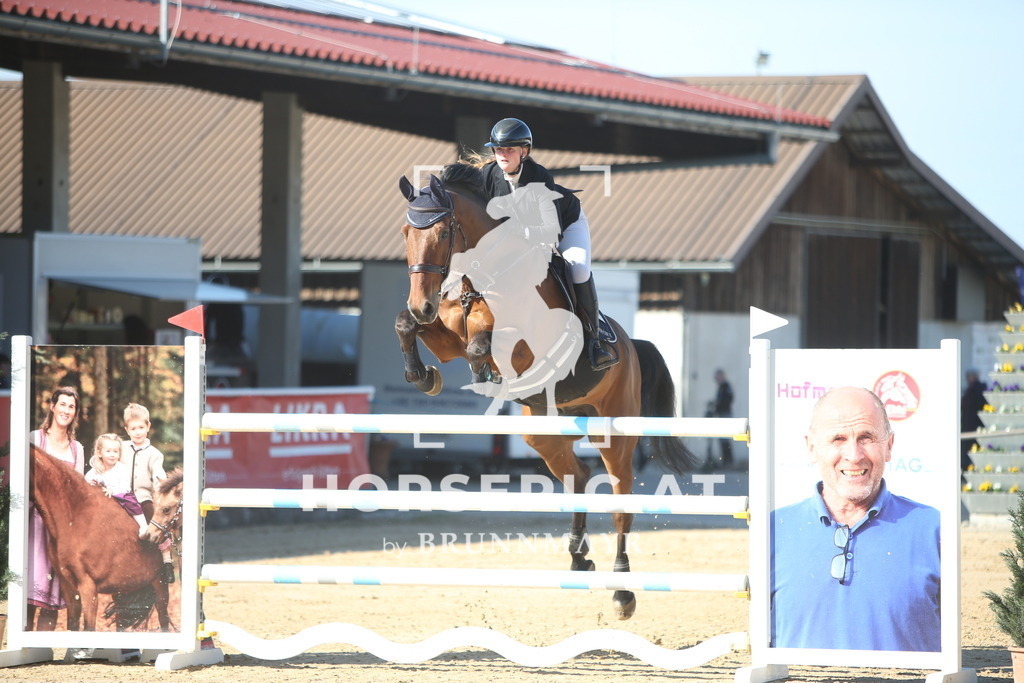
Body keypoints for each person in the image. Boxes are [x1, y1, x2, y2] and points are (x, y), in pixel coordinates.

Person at [770, 386, 940, 651]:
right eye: (838, 439)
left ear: (889, 446)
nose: (854, 455)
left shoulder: (935, 529)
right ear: (811, 447)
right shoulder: (772, 531)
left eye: (866, 437)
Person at [477, 117, 618, 371]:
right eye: (498, 149)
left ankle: (596, 339)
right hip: (519, 240)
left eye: (509, 149)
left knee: (577, 269)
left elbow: (550, 233)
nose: (502, 154)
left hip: (566, 224)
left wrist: (516, 230)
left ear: (524, 151)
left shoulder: (540, 178)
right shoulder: (488, 175)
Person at [28, 386, 86, 631]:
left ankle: (43, 645)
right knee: (32, 584)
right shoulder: (35, 439)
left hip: (61, 528)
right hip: (35, 523)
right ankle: (25, 641)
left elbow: (78, 490)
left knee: (54, 590)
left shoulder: (77, 449)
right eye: (62, 404)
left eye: (71, 406)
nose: (66, 410)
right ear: (52, 407)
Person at [120, 403, 175, 584]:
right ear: (127, 430)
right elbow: (108, 457)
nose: (137, 432)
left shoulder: (154, 454)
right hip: (121, 497)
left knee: (156, 520)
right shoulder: (122, 448)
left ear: (148, 427)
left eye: (141, 428)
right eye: (133, 428)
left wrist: (159, 486)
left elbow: (157, 472)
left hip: (142, 498)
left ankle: (167, 559)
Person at [86, 433, 149, 536]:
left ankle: (143, 525)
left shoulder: (121, 468)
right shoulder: (98, 468)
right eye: (108, 451)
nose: (112, 454)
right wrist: (91, 483)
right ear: (100, 453)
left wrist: (113, 490)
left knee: (131, 501)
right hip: (104, 496)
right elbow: (88, 478)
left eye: (115, 451)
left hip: (120, 494)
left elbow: (125, 487)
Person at [960, 368, 986, 474]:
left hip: (975, 427)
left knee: (973, 451)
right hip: (967, 426)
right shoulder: (970, 389)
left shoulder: (978, 389)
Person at [712, 369, 734, 468]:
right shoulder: (721, 387)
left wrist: (718, 405)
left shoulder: (726, 387)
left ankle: (728, 461)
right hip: (721, 414)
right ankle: (725, 461)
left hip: (725, 415)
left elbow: (728, 400)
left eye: (718, 376)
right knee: (722, 439)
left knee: (725, 439)